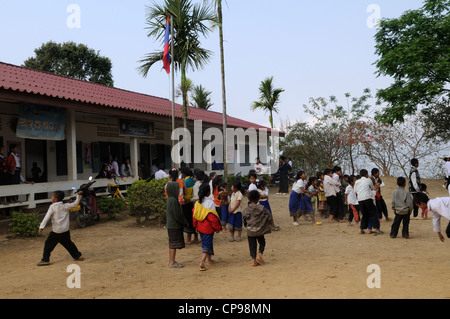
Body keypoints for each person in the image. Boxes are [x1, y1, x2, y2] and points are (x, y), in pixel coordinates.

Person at [37, 190, 84, 266]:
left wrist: (41, 227)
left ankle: (45, 259)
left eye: (52, 197)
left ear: (55, 199)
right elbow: (75, 204)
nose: (51, 198)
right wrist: (79, 196)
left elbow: (46, 217)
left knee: (48, 245)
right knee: (69, 244)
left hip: (56, 231)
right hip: (65, 230)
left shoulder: (52, 207)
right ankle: (78, 256)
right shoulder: (65, 206)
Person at [193, 183, 222, 271]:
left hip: (200, 227)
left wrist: (196, 226)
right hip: (208, 228)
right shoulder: (210, 203)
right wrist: (217, 228)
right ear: (209, 192)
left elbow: (194, 216)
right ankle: (202, 262)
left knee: (206, 243)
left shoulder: (197, 203)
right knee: (207, 244)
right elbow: (213, 218)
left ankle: (209, 260)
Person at [243, 190, 272, 267]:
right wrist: (269, 223)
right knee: (262, 242)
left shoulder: (246, 209)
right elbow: (269, 216)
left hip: (250, 230)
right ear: (258, 198)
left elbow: (244, 218)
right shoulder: (262, 208)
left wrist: (246, 225)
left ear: (249, 199)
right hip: (260, 229)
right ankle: (259, 255)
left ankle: (253, 261)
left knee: (252, 245)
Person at [165, 181, 188, 268]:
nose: (178, 190)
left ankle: (172, 261)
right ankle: (171, 262)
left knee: (172, 243)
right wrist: (184, 222)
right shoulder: (173, 201)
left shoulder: (170, 199)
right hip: (174, 225)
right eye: (177, 189)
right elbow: (177, 215)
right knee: (173, 244)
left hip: (171, 225)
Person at [354, 169, 382, 235]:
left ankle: (361, 229)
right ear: (366, 174)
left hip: (360, 199)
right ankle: (375, 228)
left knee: (365, 215)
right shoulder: (368, 180)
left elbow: (355, 190)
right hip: (367, 198)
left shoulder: (357, 181)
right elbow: (372, 187)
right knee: (373, 213)